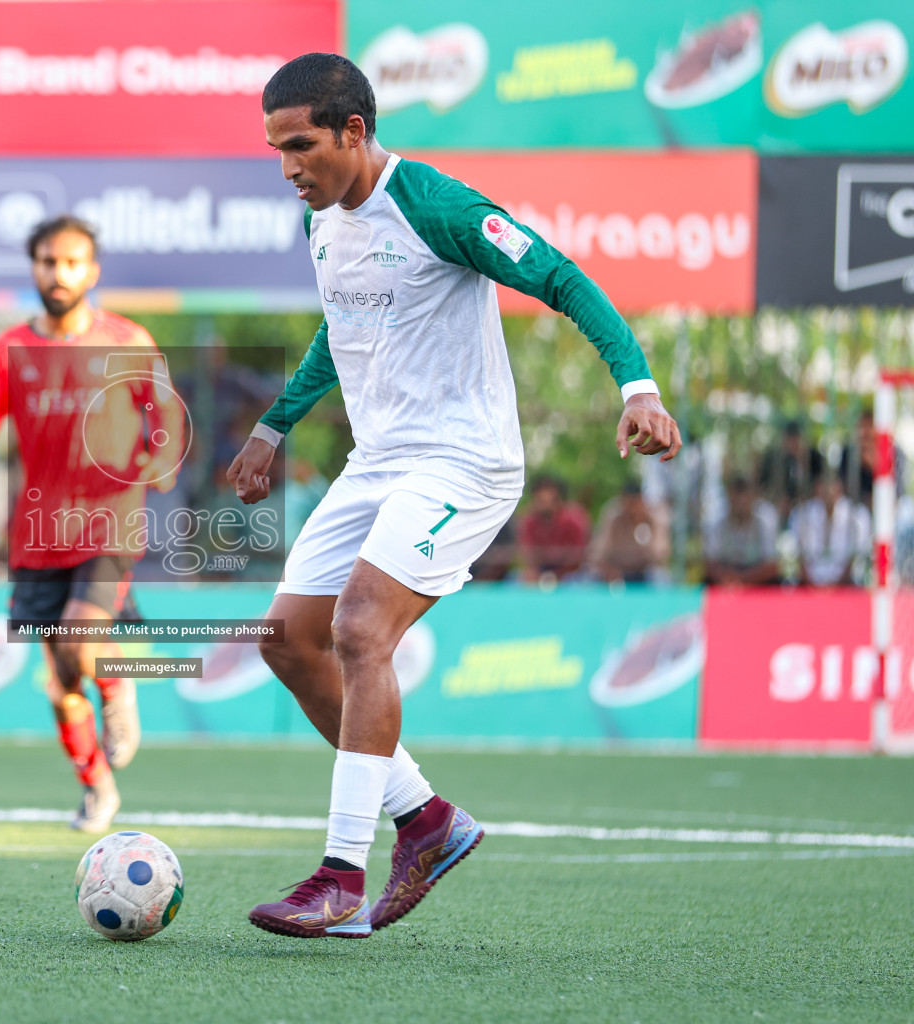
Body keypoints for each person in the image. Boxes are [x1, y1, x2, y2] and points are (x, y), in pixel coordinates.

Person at [226, 54, 681, 939]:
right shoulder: (323, 220)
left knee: (361, 629)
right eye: (277, 149)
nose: (287, 168)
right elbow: (344, 324)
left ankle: (338, 875)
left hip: (462, 464)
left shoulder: (437, 206)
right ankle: (427, 822)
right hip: (380, 461)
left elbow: (561, 277)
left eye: (301, 146)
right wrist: (274, 425)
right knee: (286, 639)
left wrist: (638, 388)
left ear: (355, 132)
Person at [0, 215, 182, 833]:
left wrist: (161, 456)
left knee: (80, 638)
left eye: (72, 262)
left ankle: (116, 691)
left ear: (93, 271)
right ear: (34, 268)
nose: (60, 273)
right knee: (60, 679)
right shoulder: (9, 350)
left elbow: (167, 416)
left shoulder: (129, 340)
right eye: (49, 262)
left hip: (108, 521)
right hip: (36, 533)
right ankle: (95, 785)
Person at [791, 473, 872, 587]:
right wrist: (811, 584)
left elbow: (856, 556)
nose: (829, 490)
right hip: (810, 583)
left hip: (845, 583)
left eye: (833, 484)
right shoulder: (802, 514)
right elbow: (799, 555)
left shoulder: (856, 515)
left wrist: (836, 585)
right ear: (817, 487)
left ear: (841, 486)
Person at [703, 475, 780, 585]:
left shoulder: (766, 519)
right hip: (726, 576)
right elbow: (709, 564)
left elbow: (772, 566)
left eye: (745, 496)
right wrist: (726, 578)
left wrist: (742, 579)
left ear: (753, 497)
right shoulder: (716, 519)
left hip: (756, 579)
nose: (741, 502)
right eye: (736, 496)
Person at [589, 481, 669, 583]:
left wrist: (643, 522)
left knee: (660, 577)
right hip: (617, 572)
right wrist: (608, 569)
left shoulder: (654, 517)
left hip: (645, 573)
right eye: (629, 503)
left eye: (635, 503)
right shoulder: (613, 516)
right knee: (591, 577)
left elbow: (660, 555)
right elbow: (598, 553)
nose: (632, 509)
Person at [516, 475, 591, 582]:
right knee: (514, 580)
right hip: (539, 572)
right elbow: (525, 553)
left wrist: (558, 575)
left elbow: (580, 554)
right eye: (540, 500)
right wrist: (532, 571)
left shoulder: (574, 520)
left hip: (570, 573)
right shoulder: (529, 521)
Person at [758, 420, 824, 522]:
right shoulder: (775, 460)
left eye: (796, 440)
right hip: (780, 508)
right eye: (790, 440)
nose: (794, 445)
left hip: (808, 507)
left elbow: (819, 485)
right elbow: (764, 487)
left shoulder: (814, 458)